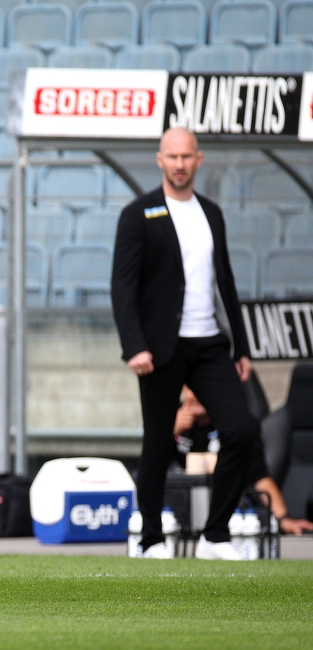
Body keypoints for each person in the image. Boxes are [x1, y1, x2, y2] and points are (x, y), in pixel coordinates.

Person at [111, 126, 258, 561]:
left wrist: (242, 347)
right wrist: (133, 345)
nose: (179, 164)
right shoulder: (139, 213)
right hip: (159, 348)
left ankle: (215, 535)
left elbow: (226, 282)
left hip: (210, 342)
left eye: (186, 156)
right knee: (158, 441)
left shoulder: (211, 212)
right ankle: (152, 539)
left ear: (199, 159)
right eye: (171, 156)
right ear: (160, 160)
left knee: (241, 430)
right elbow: (122, 287)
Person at [174, 386, 313, 536]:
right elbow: (152, 468)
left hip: (232, 518)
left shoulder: (236, 424)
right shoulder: (172, 417)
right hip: (181, 518)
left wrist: (284, 519)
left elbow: (259, 478)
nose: (195, 396)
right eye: (190, 389)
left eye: (200, 387)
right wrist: (172, 430)